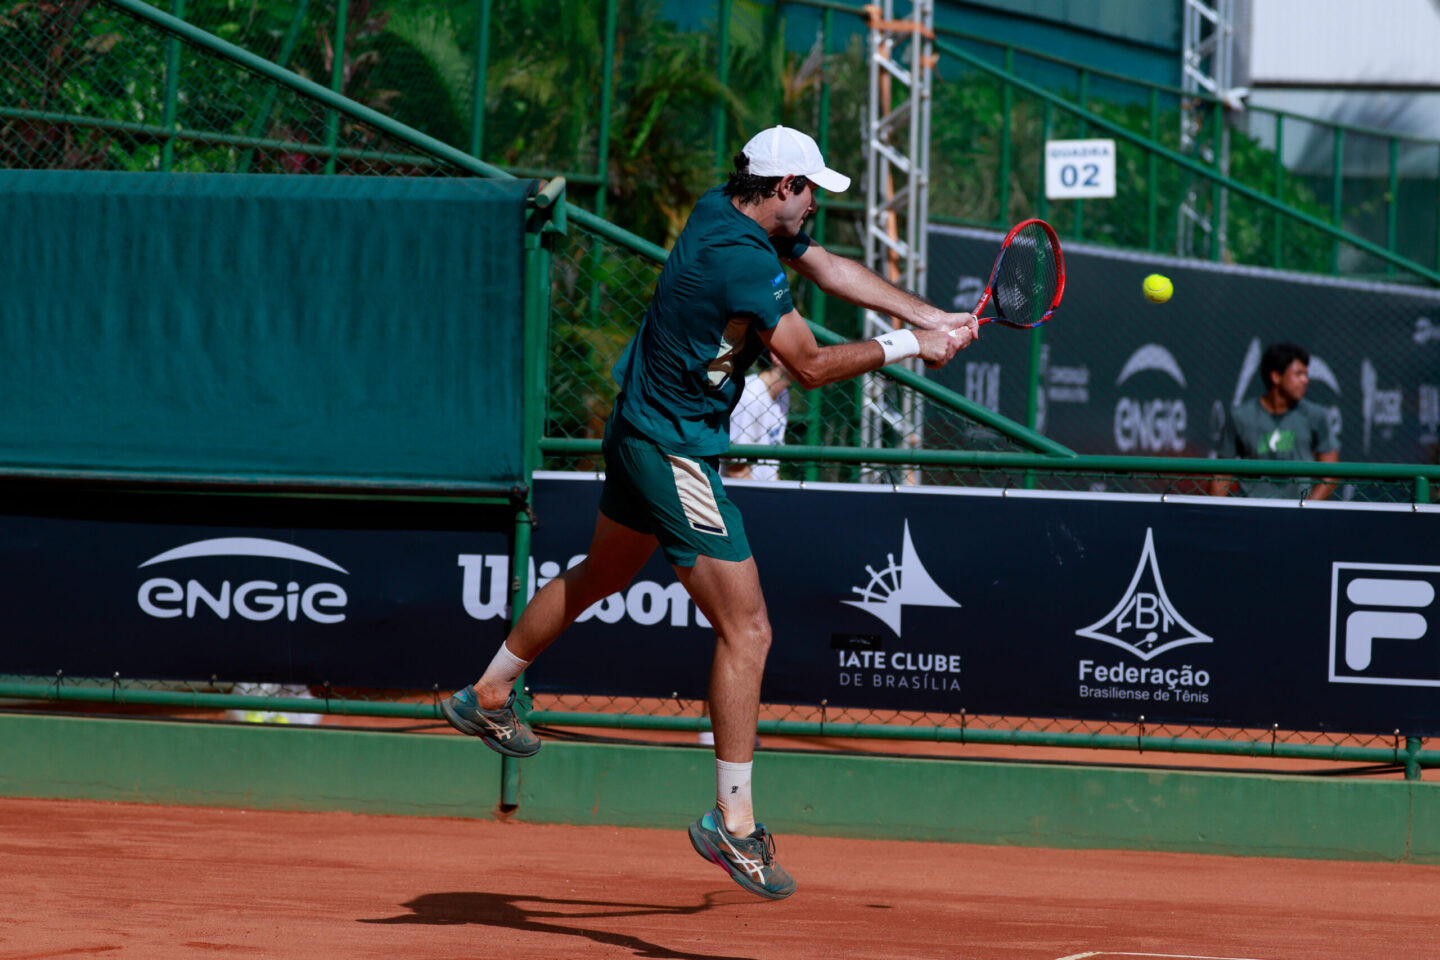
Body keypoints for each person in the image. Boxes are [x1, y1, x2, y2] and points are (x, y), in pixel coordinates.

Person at [440, 124, 979, 900]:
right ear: (784, 187)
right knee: (748, 628)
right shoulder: (743, 262)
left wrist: (932, 319)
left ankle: (487, 693)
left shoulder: (721, 207)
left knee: (602, 575)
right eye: (810, 190)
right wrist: (908, 347)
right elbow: (808, 365)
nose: (814, 206)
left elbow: (828, 267)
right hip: (673, 450)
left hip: (636, 428)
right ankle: (734, 822)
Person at [1209, 341, 1339, 499]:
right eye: (1298, 374)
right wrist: (1215, 511)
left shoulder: (1315, 415)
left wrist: (1306, 507)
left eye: (1306, 374)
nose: (1305, 380)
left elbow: (1331, 474)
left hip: (1296, 510)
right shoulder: (1240, 417)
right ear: (1276, 377)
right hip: (1251, 509)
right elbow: (1222, 474)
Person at [724, 351, 793, 482]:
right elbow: (736, 470)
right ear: (776, 356)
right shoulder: (750, 395)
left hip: (761, 488)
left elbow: (772, 470)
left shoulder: (783, 394)